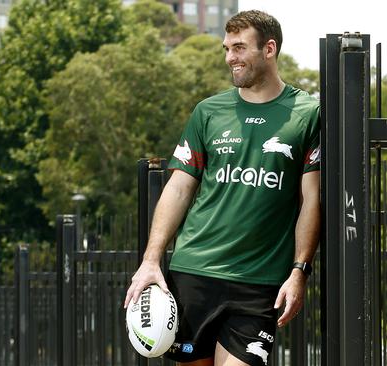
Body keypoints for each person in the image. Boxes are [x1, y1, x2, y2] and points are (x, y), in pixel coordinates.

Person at [124, 9, 320, 366]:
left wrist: (299, 271)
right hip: (193, 273)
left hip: (259, 283)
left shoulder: (307, 114)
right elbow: (179, 188)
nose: (231, 58)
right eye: (227, 48)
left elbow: (313, 200)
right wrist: (151, 259)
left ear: (269, 49)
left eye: (240, 48)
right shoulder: (208, 112)